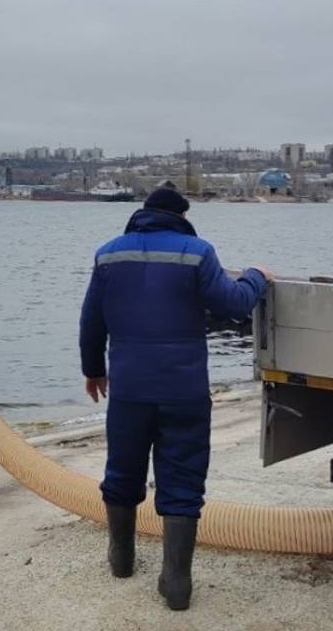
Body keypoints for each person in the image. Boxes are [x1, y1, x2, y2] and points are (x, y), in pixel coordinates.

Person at [79, 187, 272, 611]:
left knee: (123, 468)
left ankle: (121, 559)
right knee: (182, 476)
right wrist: (257, 275)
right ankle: (177, 582)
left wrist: (93, 370)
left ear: (142, 213)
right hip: (184, 389)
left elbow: (92, 319)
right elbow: (234, 303)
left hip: (128, 389)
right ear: (181, 215)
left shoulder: (108, 254)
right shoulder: (197, 252)